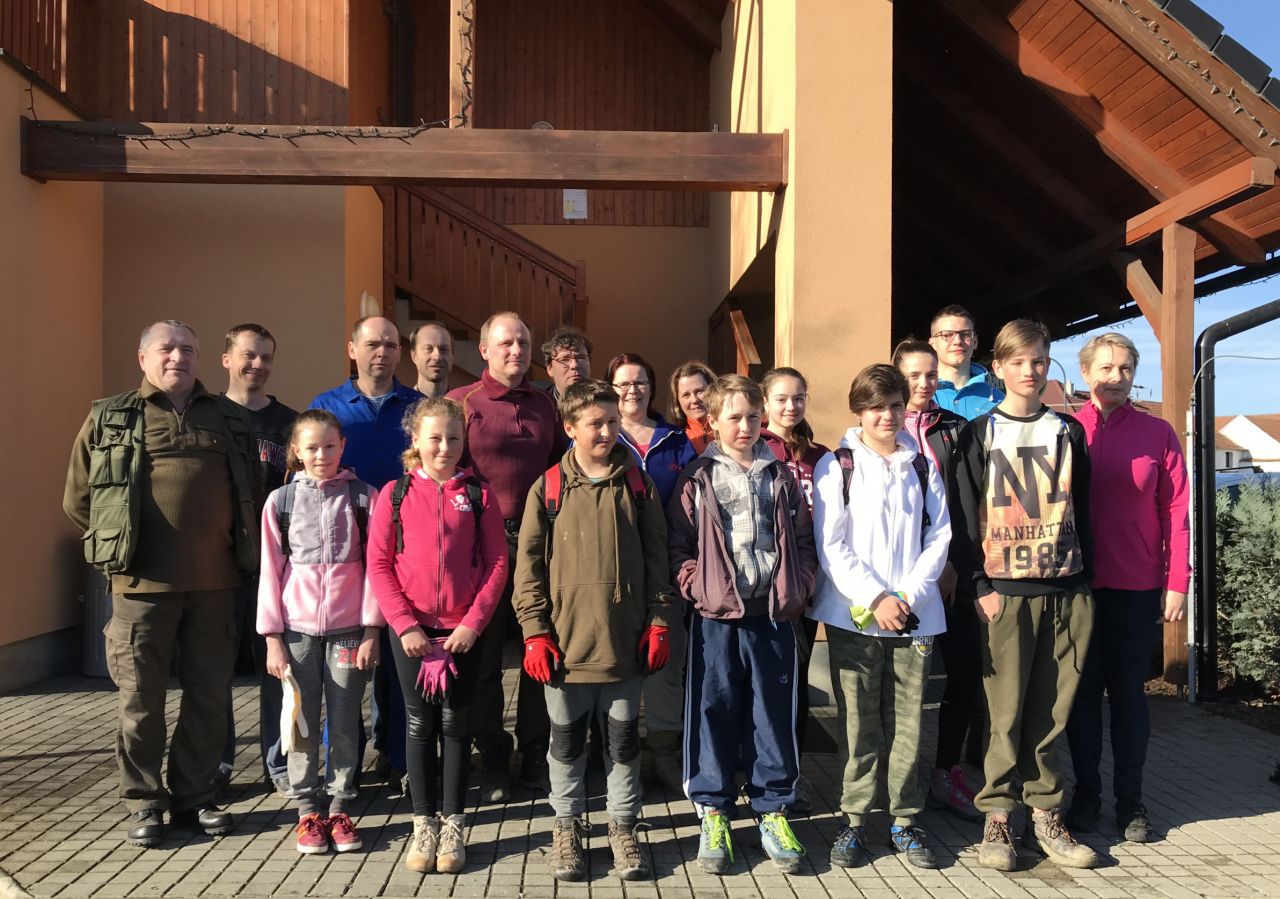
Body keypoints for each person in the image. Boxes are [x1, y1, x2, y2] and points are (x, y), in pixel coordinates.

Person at [64, 320, 261, 847]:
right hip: (140, 588)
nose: (178, 357)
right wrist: (119, 544)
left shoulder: (227, 417)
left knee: (208, 698)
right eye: (167, 349)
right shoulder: (110, 416)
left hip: (215, 586)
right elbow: (78, 499)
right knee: (141, 701)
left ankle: (195, 797)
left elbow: (252, 492)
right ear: (143, 358)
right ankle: (145, 801)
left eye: (188, 349)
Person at [948, 319, 1098, 871]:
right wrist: (979, 586)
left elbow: (1083, 507)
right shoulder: (978, 434)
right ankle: (998, 816)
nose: (1029, 371)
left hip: (1066, 589)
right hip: (1004, 593)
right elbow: (963, 518)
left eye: (1038, 361)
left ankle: (1045, 813)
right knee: (1004, 712)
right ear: (998, 368)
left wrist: (1084, 583)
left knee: (1052, 711)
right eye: (1017, 361)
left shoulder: (1068, 431)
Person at [514, 379, 676, 882]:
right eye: (595, 424)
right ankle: (567, 825)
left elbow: (658, 562)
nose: (606, 432)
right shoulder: (548, 488)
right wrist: (535, 632)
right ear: (570, 428)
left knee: (623, 743)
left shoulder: (638, 486)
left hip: (625, 646)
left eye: (612, 422)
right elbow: (528, 569)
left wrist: (659, 621)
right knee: (566, 745)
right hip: (565, 649)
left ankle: (623, 826)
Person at [668, 374, 818, 875]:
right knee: (713, 709)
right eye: (733, 417)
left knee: (772, 713)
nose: (745, 426)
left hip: (771, 615)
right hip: (715, 617)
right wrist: (698, 587)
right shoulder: (698, 478)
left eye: (753, 416)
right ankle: (713, 811)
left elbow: (802, 539)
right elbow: (679, 545)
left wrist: (800, 586)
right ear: (712, 421)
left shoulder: (781, 477)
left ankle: (772, 810)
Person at [808, 364, 951, 870]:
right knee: (858, 723)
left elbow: (939, 536)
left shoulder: (922, 466)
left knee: (908, 722)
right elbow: (831, 545)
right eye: (875, 407)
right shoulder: (837, 466)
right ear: (858, 411)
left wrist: (906, 595)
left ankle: (904, 821)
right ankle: (853, 821)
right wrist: (876, 598)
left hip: (914, 616)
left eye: (894, 405)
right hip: (855, 617)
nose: (886, 416)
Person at [367, 397, 508, 874]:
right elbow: (379, 564)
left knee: (456, 726)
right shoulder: (395, 494)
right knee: (419, 726)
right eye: (434, 438)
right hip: (411, 634)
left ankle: (453, 825)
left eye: (453, 438)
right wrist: (404, 624)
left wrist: (473, 623)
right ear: (415, 440)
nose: (444, 447)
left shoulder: (480, 495)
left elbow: (496, 564)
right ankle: (422, 823)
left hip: (462, 634)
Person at [1065, 332, 1189, 844]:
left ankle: (1130, 801)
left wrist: (1177, 582)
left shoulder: (1157, 434)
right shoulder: (1066, 430)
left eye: (1125, 369)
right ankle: (1086, 795)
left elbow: (1177, 511)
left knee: (1128, 696)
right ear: (1086, 372)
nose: (1116, 377)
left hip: (1136, 587)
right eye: (1106, 368)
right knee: (1082, 696)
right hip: (1075, 587)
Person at [447, 311, 565, 800]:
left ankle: (536, 750)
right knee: (485, 658)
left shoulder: (546, 405)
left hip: (540, 544)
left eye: (523, 342)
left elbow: (563, 467)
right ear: (484, 350)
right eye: (505, 343)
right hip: (482, 547)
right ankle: (494, 754)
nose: (516, 351)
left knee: (542, 646)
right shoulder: (461, 403)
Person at [257, 410, 382, 855]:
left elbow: (377, 570)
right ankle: (308, 810)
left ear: (342, 446)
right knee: (301, 720)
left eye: (330, 446)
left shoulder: (364, 497)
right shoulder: (281, 502)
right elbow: (269, 572)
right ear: (296, 450)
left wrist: (372, 630)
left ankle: (341, 805)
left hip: (350, 631)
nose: (321, 455)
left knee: (346, 719)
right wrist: (272, 637)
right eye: (311, 448)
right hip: (297, 633)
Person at [310, 315, 421, 782]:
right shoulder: (328, 406)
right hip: (341, 554)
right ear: (352, 349)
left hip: (403, 549)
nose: (383, 352)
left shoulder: (417, 406)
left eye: (391, 345)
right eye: (373, 344)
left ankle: (396, 756)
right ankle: (344, 762)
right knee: (343, 663)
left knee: (396, 661)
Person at [893, 339, 982, 823]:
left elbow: (969, 502)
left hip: (954, 575)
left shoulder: (957, 428)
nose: (924, 383)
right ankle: (899, 778)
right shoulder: (882, 428)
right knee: (905, 687)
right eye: (914, 375)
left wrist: (953, 564)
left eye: (931, 375)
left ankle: (947, 770)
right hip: (902, 581)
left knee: (964, 675)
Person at [607, 352, 696, 795]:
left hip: (667, 571)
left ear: (652, 387)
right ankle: (620, 757)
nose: (632, 391)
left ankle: (664, 752)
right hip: (615, 572)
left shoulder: (676, 441)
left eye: (640, 382)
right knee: (619, 663)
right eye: (623, 383)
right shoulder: (602, 437)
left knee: (666, 666)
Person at [218, 323, 298, 797]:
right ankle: (219, 762)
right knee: (216, 670)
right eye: (248, 355)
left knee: (279, 666)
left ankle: (280, 761)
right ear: (226, 359)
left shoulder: (289, 423)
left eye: (266, 357)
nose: (258, 365)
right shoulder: (209, 417)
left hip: (277, 567)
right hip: (219, 565)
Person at [759, 366, 829, 812]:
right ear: (765, 402)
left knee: (796, 684)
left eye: (798, 397)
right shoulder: (754, 447)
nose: (791, 406)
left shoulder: (821, 457)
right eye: (782, 398)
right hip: (761, 587)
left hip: (805, 585)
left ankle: (792, 773)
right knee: (760, 683)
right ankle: (756, 772)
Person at [928, 305, 1003, 419]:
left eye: (965, 334)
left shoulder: (998, 400)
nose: (957, 341)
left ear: (975, 342)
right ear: (932, 343)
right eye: (947, 335)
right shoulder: (917, 395)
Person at [669, 361, 716, 454]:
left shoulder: (730, 428)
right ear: (677, 401)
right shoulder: (673, 440)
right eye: (686, 395)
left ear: (713, 390)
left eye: (700, 391)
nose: (694, 400)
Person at [542, 324, 592, 402]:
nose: (574, 365)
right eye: (564, 359)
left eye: (581, 358)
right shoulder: (539, 405)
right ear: (550, 369)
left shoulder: (604, 403)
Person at [409, 321, 455, 398]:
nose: (437, 357)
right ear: (414, 356)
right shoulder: (402, 405)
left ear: (452, 357)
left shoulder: (463, 404)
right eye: (428, 349)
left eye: (444, 349)